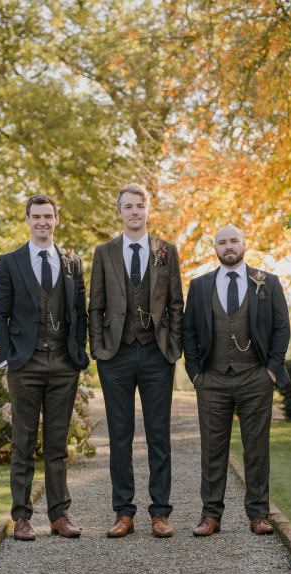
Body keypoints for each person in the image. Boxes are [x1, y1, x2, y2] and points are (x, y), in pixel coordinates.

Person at [0, 194, 89, 541]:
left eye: (48, 216)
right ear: (28, 219)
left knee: (58, 445)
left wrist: (79, 353)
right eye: (37, 216)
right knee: (23, 442)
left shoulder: (72, 261)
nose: (43, 222)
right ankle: (21, 518)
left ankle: (59, 516)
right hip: (24, 364)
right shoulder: (11, 261)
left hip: (63, 364)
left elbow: (80, 312)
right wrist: (6, 355)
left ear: (56, 219)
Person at [89, 183, 183, 538]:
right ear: (120, 211)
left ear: (147, 210)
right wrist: (98, 348)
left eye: (139, 205)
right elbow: (95, 306)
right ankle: (123, 512)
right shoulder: (104, 252)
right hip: (115, 354)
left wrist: (173, 347)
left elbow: (176, 303)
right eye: (127, 206)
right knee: (120, 436)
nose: (134, 211)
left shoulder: (165, 250)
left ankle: (160, 513)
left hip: (157, 353)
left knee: (159, 435)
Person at [183, 224, 290, 536]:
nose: (228, 247)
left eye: (233, 241)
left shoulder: (267, 282)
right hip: (212, 379)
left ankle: (258, 514)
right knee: (212, 449)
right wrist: (195, 373)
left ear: (244, 243)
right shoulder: (200, 284)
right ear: (215, 248)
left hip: (255, 377)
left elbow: (282, 327)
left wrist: (271, 369)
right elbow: (188, 331)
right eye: (222, 242)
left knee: (256, 448)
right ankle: (211, 516)